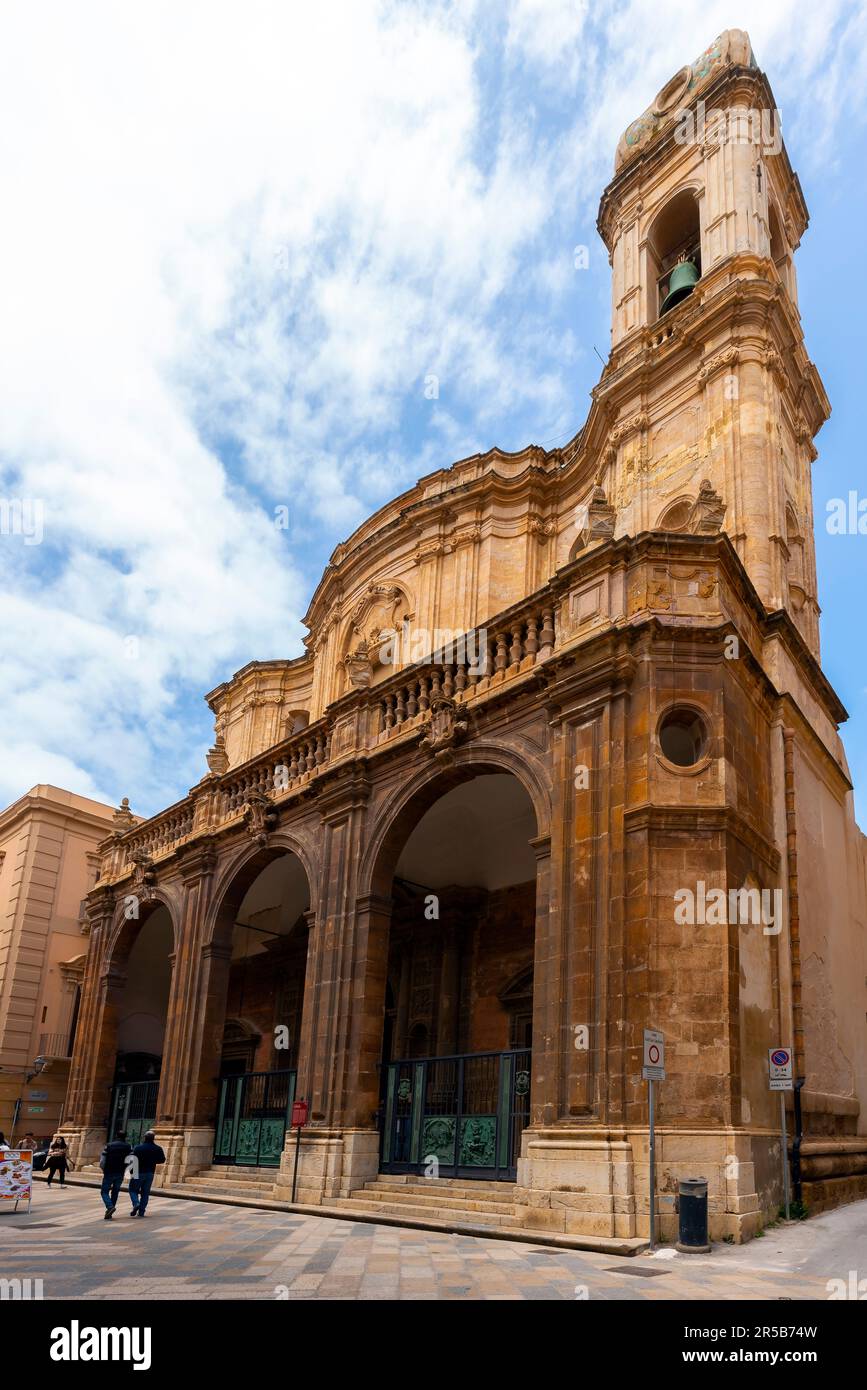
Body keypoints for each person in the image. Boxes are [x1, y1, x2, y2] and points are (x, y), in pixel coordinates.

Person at [128, 1131, 165, 1216]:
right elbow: (162, 1160)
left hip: (138, 1172)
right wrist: (153, 1160)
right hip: (150, 1172)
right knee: (145, 1192)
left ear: (144, 1137)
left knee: (133, 1190)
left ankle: (136, 1203)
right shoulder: (157, 1148)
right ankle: (141, 1211)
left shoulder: (138, 1148)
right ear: (153, 1138)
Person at [99, 1131, 132, 1219]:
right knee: (115, 1191)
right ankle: (110, 1210)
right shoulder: (128, 1146)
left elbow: (102, 1160)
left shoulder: (109, 1145)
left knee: (104, 1191)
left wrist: (103, 1169)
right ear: (125, 1136)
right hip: (120, 1172)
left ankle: (110, 1207)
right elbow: (130, 1160)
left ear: (116, 1135)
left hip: (109, 1171)